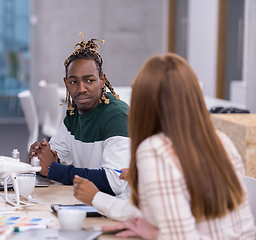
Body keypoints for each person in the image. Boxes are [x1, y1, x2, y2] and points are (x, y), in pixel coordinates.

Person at [75, 53, 256, 239]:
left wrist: (155, 234)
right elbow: (157, 212)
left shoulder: (155, 151)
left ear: (142, 104)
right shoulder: (221, 141)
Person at [29, 33, 130, 197]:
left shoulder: (117, 116)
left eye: (89, 80)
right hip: (87, 203)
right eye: (74, 81)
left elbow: (115, 182)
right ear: (66, 83)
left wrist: (54, 169)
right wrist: (39, 157)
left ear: (102, 80)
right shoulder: (74, 113)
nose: (81, 88)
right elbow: (53, 157)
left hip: (117, 210)